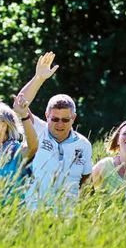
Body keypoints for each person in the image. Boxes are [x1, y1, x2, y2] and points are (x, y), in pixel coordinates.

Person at [12, 52, 94, 210]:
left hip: (68, 216)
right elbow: (19, 106)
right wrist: (39, 78)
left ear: (74, 118)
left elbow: (86, 183)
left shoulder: (84, 144)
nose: (60, 124)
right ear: (46, 115)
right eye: (54, 119)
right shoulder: (37, 129)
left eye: (65, 120)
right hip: (34, 212)